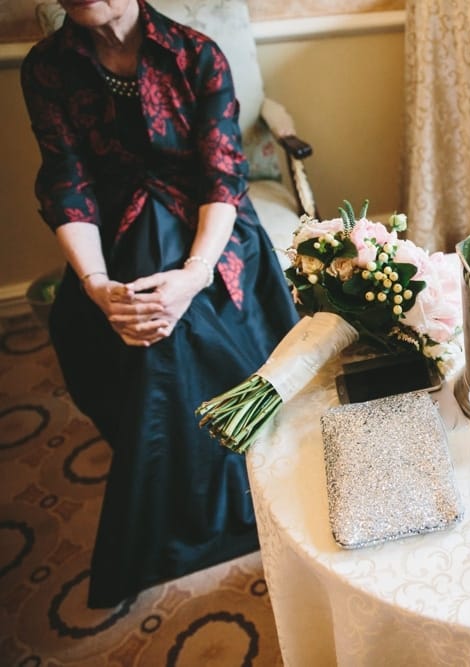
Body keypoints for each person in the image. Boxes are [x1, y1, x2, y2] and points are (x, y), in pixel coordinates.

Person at [20, 0, 299, 609]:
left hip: (210, 230)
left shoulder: (197, 55)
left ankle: (191, 510)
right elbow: (67, 182)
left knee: (170, 327)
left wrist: (194, 276)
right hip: (111, 233)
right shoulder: (46, 66)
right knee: (90, 319)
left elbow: (225, 181)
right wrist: (95, 286)